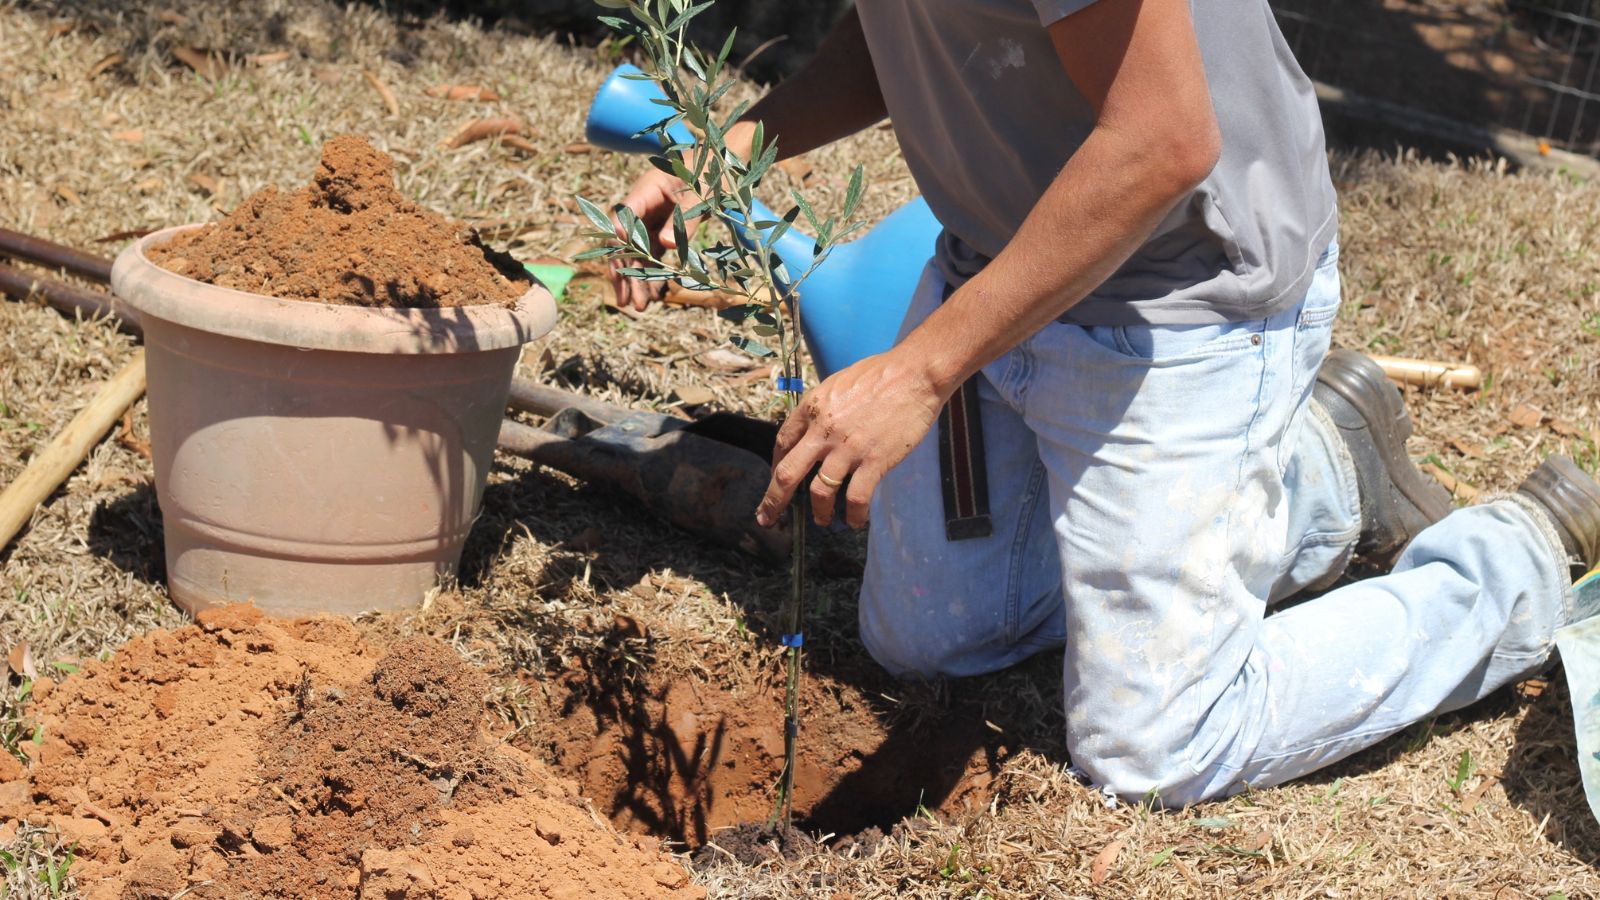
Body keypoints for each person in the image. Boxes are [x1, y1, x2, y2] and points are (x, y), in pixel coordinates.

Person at [609, 0, 1600, 806]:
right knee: (932, 640)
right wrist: (729, 150)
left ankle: (1506, 561)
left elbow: (1164, 141)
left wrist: (917, 371)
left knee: (1155, 748)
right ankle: (1325, 470)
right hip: (998, 270)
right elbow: (896, 31)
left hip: (1183, 303)